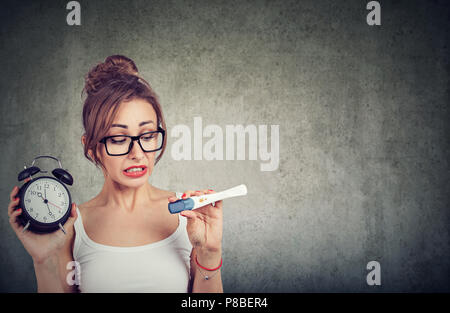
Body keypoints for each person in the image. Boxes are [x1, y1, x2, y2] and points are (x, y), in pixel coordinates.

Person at [7, 55, 223, 293]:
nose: (137, 153)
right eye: (119, 139)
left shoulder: (190, 214)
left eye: (148, 135)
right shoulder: (71, 226)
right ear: (91, 147)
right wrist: (43, 261)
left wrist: (209, 254)